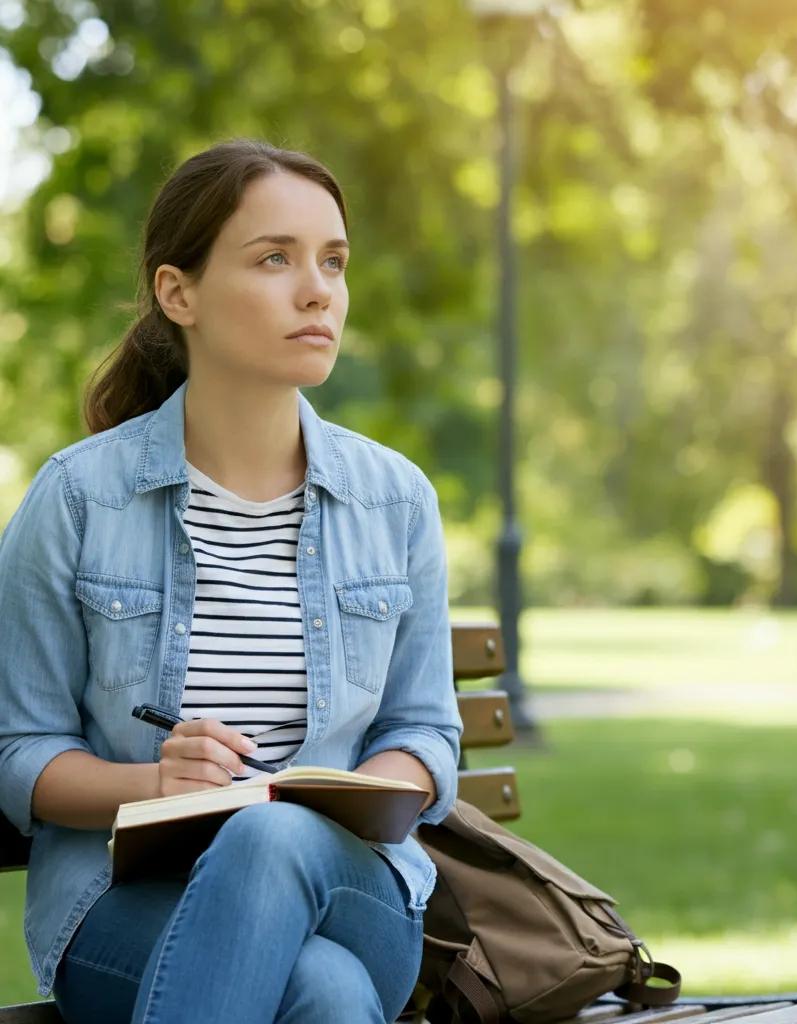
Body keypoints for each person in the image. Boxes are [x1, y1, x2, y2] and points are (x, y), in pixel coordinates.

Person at [0, 139, 462, 1024]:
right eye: (274, 258)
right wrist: (156, 785)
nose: (318, 288)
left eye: (333, 261)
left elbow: (425, 732)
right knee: (323, 995)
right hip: (121, 907)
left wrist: (369, 787)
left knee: (274, 830)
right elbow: (20, 752)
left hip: (353, 892)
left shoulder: (395, 501)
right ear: (179, 293)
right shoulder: (79, 497)